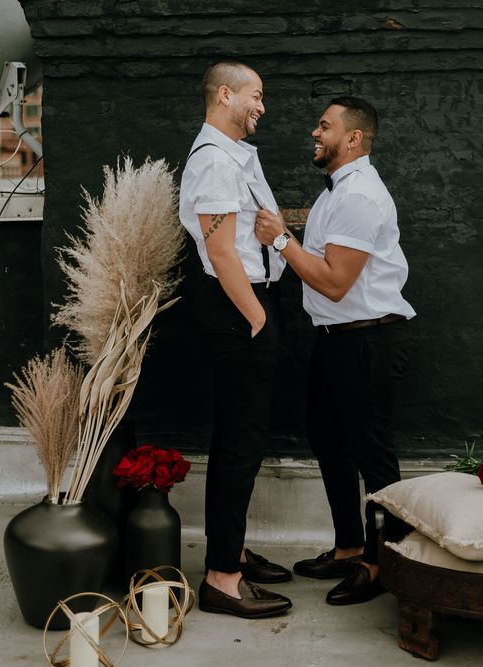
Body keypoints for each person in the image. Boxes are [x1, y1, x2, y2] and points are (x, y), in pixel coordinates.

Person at [254, 96, 416, 605]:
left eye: (324, 127)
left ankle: (380, 561)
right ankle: (349, 546)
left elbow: (335, 282)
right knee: (329, 444)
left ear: (353, 139)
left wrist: (281, 241)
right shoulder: (336, 192)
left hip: (366, 340)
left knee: (373, 457)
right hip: (334, 342)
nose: (314, 133)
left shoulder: (361, 196)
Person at [179, 62, 292, 618]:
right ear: (225, 94)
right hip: (237, 309)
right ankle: (223, 579)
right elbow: (222, 251)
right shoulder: (215, 162)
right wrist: (259, 318)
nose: (262, 106)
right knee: (240, 443)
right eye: (256, 95)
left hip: (242, 305)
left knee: (237, 440)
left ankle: (234, 552)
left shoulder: (233, 156)